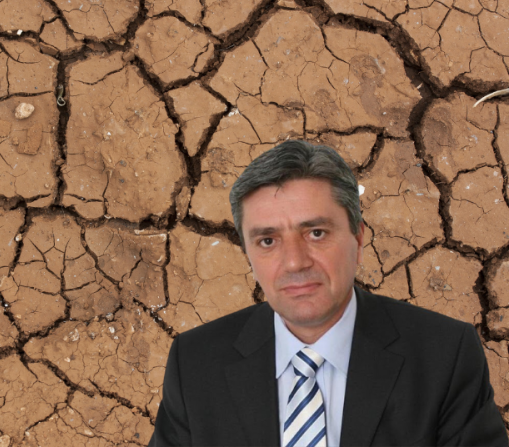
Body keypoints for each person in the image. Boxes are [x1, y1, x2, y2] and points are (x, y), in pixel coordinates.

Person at [148, 140, 508, 446]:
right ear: (248, 254)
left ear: (358, 238)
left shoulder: (444, 356)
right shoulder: (194, 364)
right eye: (268, 241)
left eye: (316, 233)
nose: (295, 262)